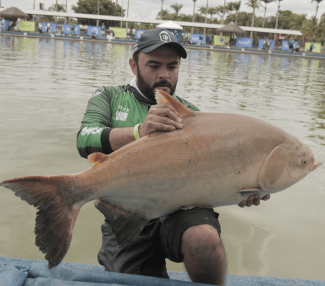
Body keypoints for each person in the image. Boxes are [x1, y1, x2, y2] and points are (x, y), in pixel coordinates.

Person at [76, 28, 270, 285]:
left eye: (172, 66)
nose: (164, 74)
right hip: (127, 214)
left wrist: (244, 188)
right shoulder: (109, 97)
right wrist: (139, 131)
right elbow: (85, 139)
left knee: (204, 238)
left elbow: (216, 173)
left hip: (182, 211)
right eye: (154, 65)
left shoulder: (192, 115)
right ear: (134, 65)